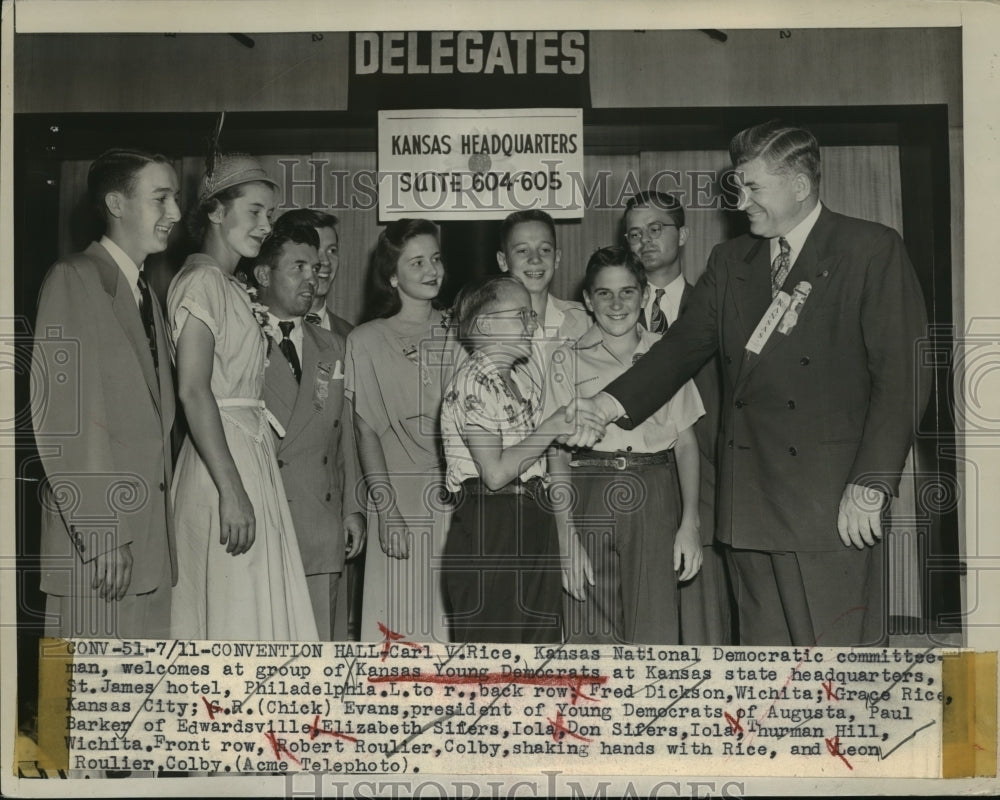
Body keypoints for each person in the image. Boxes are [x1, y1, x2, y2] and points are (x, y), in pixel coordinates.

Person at [576, 121, 929, 647]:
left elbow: (902, 378)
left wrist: (873, 481)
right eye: (739, 187)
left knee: (836, 664)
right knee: (767, 674)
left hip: (830, 502)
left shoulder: (869, 249)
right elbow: (678, 350)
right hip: (749, 506)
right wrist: (606, 403)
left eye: (753, 187)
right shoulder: (730, 261)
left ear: (800, 186)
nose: (741, 201)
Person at [31, 148, 180, 639]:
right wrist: (102, 534)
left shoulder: (145, 295)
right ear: (117, 204)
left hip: (149, 554)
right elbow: (63, 418)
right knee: (83, 710)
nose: (175, 214)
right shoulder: (74, 278)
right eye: (161, 199)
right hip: (100, 556)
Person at [168, 153, 317, 641]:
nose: (264, 225)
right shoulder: (202, 282)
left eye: (268, 215)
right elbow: (193, 390)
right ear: (215, 212)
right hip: (222, 468)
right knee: (233, 620)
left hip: (246, 457)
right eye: (254, 212)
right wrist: (232, 490)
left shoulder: (227, 285)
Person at [548, 247, 703, 644]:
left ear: (644, 295)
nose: (616, 304)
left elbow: (686, 444)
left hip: (654, 489)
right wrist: (565, 535)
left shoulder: (667, 354)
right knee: (588, 626)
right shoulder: (565, 360)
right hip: (588, 489)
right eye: (604, 293)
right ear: (587, 299)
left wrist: (689, 522)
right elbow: (558, 455)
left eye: (628, 292)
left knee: (655, 627)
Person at [441, 275, 603, 643]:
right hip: (490, 524)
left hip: (532, 518)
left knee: (538, 650)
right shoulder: (472, 380)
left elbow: (536, 455)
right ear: (485, 325)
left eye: (533, 316)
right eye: (522, 315)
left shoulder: (521, 384)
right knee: (495, 657)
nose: (533, 324)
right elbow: (495, 473)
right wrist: (552, 425)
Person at [623, 191, 732, 645]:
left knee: (702, 621)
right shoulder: (613, 307)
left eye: (656, 229)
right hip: (633, 493)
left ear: (683, 234)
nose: (644, 241)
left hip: (703, 481)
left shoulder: (716, 306)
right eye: (634, 233)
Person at [252, 228, 365, 641]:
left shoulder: (334, 346)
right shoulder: (240, 339)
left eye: (315, 269)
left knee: (321, 652)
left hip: (321, 523)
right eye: (297, 267)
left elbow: (347, 437)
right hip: (264, 523)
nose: (311, 279)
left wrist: (353, 507)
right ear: (263, 275)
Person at [345, 218, 452, 643]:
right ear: (392, 275)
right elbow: (365, 429)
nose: (432, 271)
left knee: (449, 622)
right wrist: (386, 510)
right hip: (399, 500)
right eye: (417, 263)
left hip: (455, 497)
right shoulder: (366, 340)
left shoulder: (463, 330)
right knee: (398, 625)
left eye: (436, 259)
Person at [273, 208, 354, 339]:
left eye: (332, 250)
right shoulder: (254, 329)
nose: (325, 262)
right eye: (315, 249)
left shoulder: (351, 336)